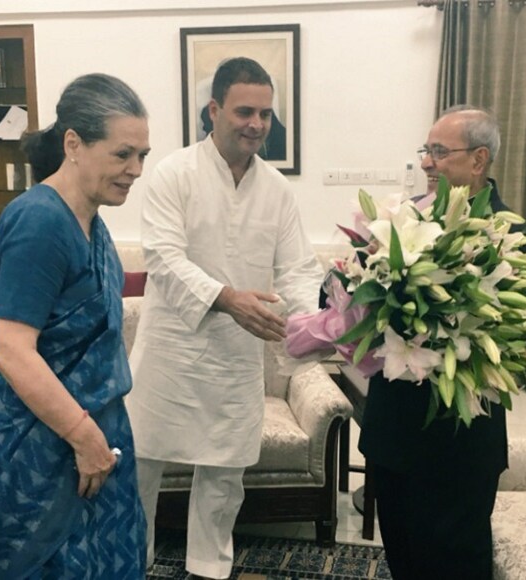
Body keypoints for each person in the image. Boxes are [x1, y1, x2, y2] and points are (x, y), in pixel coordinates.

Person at [0, 73, 151, 579]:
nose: (136, 169)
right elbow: (11, 350)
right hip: (36, 439)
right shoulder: (39, 222)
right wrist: (85, 437)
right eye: (123, 154)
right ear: (74, 144)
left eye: (143, 154)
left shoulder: (89, 219)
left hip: (81, 426)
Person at [125, 57, 322, 580]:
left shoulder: (277, 189)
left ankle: (209, 569)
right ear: (213, 110)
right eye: (244, 111)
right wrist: (227, 298)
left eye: (264, 113)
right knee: (141, 466)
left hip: (236, 357)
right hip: (170, 351)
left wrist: (316, 325)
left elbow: (299, 268)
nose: (256, 123)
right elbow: (163, 259)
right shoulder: (173, 173)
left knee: (224, 475)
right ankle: (129, 562)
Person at [357, 105, 526, 579]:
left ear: (479, 160)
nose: (426, 163)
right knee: (403, 556)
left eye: (439, 152)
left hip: (458, 444)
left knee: (457, 561)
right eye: (426, 151)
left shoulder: (516, 238)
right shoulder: (399, 223)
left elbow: (516, 347)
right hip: (393, 434)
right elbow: (350, 304)